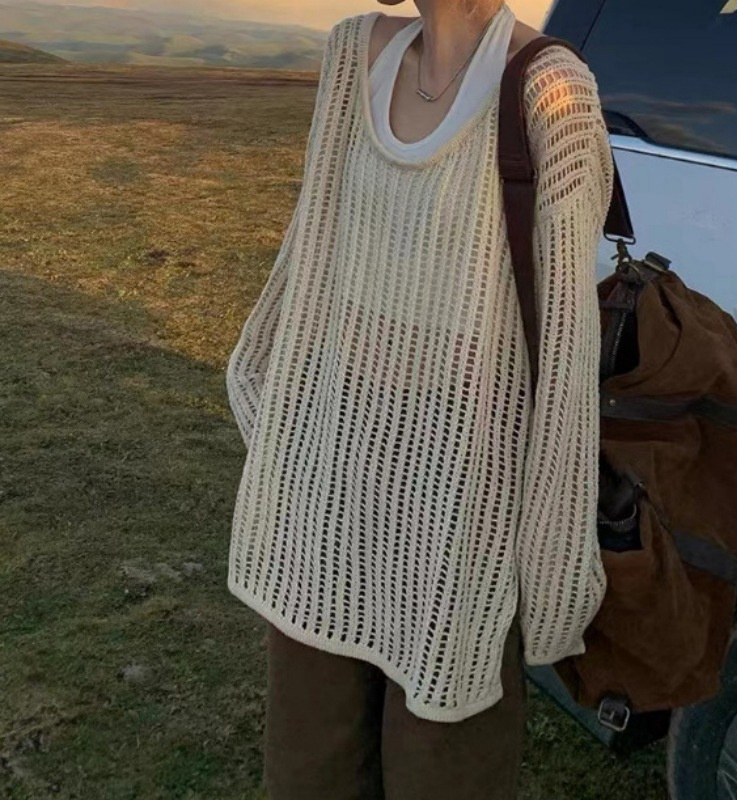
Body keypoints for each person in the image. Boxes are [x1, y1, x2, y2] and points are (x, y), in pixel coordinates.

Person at [224, 0, 614, 797]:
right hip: (324, 487)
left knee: (440, 765)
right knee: (309, 765)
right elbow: (307, 262)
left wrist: (548, 562)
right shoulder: (352, 57)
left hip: (460, 506)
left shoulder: (551, 91)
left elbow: (567, 360)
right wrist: (281, 435)